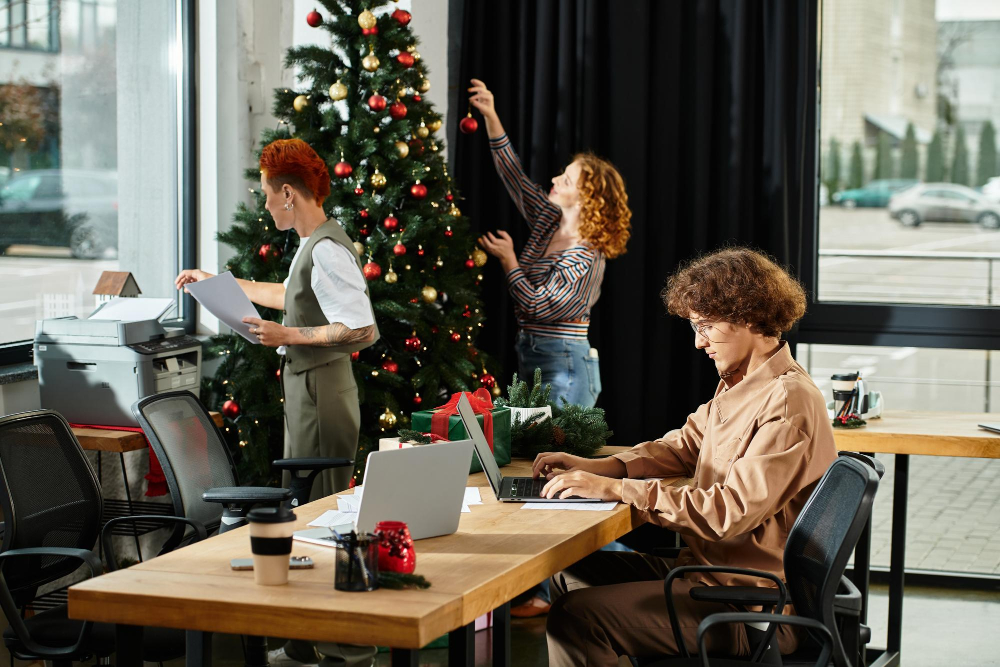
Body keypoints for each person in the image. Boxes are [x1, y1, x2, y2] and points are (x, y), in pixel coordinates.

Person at [532, 248, 838, 665]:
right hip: (705, 574)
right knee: (568, 571)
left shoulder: (787, 401)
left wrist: (616, 489)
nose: (698, 342)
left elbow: (728, 512)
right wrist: (594, 467)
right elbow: (683, 445)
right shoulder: (741, 383)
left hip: (749, 608)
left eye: (706, 327)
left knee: (578, 618)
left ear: (747, 316)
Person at [176, 138, 378, 667]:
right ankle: (304, 640)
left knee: (327, 514)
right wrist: (218, 283)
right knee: (311, 510)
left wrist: (286, 335)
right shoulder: (313, 243)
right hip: (311, 393)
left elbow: (360, 328)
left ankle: (346, 648)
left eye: (266, 195)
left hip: (321, 394)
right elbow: (289, 293)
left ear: (288, 193)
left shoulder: (329, 250)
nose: (264, 206)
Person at [470, 78, 632, 410]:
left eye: (566, 180)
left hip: (566, 367)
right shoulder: (548, 219)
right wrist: (490, 114)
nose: (555, 180)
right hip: (531, 351)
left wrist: (509, 260)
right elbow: (513, 175)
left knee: (558, 455)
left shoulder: (586, 256)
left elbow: (537, 306)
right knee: (533, 453)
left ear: (586, 198)